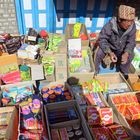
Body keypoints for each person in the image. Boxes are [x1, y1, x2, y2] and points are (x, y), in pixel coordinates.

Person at [95, 5, 136, 76]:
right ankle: (96, 71)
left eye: (131, 21)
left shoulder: (132, 27)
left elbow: (131, 42)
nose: (130, 24)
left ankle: (123, 72)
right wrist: (109, 52)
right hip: (110, 48)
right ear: (120, 20)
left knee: (131, 54)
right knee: (99, 53)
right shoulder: (110, 25)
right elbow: (102, 39)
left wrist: (126, 53)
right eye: (127, 21)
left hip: (122, 49)